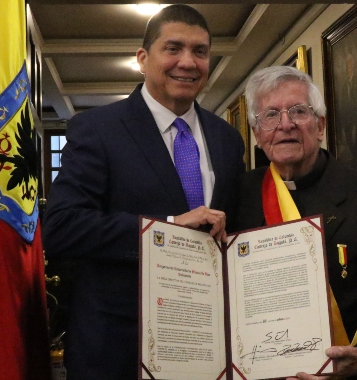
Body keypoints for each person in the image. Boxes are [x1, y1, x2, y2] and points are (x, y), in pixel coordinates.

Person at [42, 5, 246, 379]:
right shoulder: (97, 129)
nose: (188, 62)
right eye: (173, 48)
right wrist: (166, 228)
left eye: (200, 52)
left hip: (206, 345)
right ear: (142, 58)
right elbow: (61, 227)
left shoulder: (227, 139)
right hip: (117, 348)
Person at [234, 65, 357, 380]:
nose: (285, 125)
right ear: (256, 134)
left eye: (298, 111)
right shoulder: (237, 197)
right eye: (270, 115)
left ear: (320, 126)